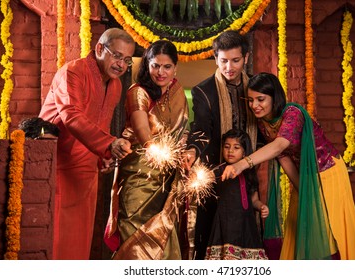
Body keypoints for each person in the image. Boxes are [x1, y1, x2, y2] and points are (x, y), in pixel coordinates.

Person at [221, 72, 355, 260]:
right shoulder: (264, 123)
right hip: (305, 178)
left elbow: (280, 145)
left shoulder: (293, 113)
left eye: (260, 99)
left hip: (328, 171)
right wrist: (304, 190)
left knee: (332, 228)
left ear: (275, 98)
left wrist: (242, 164)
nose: (254, 106)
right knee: (302, 226)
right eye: (250, 100)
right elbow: (283, 158)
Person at [38, 28, 135, 260]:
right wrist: (109, 144)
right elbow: (71, 115)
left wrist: (104, 157)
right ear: (100, 49)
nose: (121, 65)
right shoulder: (72, 72)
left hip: (87, 172)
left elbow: (101, 124)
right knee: (55, 240)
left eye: (127, 60)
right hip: (59, 167)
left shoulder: (115, 85)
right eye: (117, 56)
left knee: (79, 244)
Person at [105, 40, 189, 260]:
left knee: (163, 233)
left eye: (166, 66)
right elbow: (142, 128)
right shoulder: (138, 91)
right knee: (135, 233)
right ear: (147, 66)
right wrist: (155, 151)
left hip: (167, 176)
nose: (160, 72)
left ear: (175, 68)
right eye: (155, 66)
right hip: (139, 173)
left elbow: (183, 131)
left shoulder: (177, 92)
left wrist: (186, 153)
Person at [184, 30, 258, 260]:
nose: (229, 67)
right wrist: (193, 149)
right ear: (215, 59)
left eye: (235, 60)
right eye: (223, 61)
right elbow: (202, 129)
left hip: (252, 172)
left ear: (245, 58)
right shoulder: (203, 91)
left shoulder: (256, 87)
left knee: (250, 234)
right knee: (211, 239)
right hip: (217, 177)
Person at [205, 129, 268, 260]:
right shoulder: (219, 171)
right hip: (225, 223)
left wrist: (262, 207)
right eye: (227, 147)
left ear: (244, 151)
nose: (230, 151)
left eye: (236, 147)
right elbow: (205, 180)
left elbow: (254, 200)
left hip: (247, 225)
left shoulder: (250, 173)